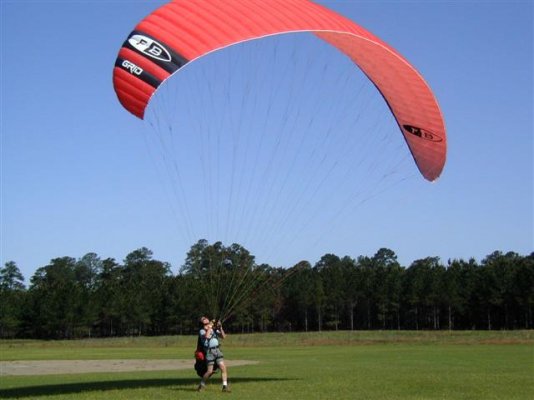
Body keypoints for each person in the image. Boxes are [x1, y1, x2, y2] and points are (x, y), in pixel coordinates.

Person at [197, 316, 230, 392]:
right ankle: (201, 384)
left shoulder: (213, 329)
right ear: (202, 322)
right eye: (203, 318)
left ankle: (224, 386)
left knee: (223, 367)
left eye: (205, 318)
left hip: (217, 350)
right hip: (209, 352)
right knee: (209, 371)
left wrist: (220, 328)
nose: (206, 318)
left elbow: (223, 336)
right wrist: (210, 327)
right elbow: (207, 336)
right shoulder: (202, 330)